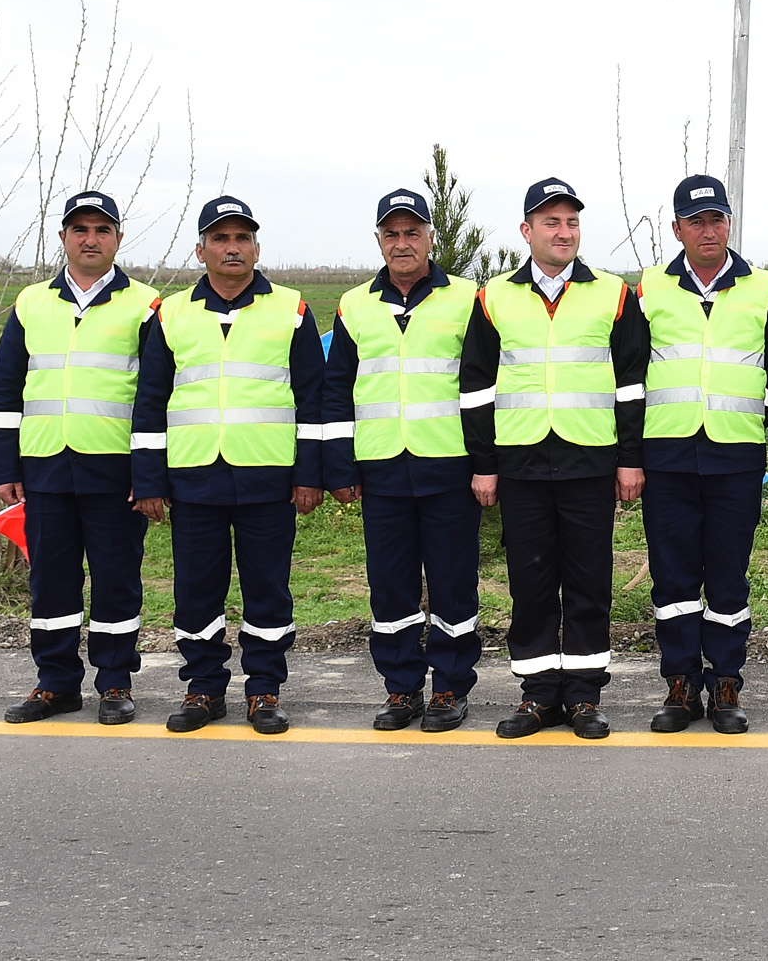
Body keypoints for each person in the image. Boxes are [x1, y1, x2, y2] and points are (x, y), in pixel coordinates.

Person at [459, 179, 648, 740]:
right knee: (532, 582)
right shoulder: (493, 297)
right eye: (551, 222)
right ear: (527, 231)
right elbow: (476, 387)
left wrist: (629, 460)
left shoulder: (614, 294)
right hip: (520, 464)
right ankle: (539, 695)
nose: (563, 232)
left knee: (590, 580)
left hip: (590, 460)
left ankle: (586, 696)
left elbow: (632, 385)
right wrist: (484, 463)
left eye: (571, 223)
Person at [132, 196, 327, 735]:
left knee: (268, 587)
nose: (232, 248)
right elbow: (150, 401)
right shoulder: (169, 314)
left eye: (242, 239)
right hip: (193, 477)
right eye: (220, 239)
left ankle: (264, 689)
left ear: (257, 248)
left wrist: (310, 474)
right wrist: (148, 479)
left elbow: (313, 400)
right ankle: (203, 689)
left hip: (269, 477)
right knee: (197, 589)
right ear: (201, 249)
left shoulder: (292, 309)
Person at [0, 192, 158, 725]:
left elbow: (156, 397)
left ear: (118, 239)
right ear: (62, 237)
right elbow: (6, 390)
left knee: (115, 578)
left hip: (114, 471)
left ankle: (114, 683)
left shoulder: (147, 305)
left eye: (101, 230)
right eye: (79, 229)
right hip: (44, 469)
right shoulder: (31, 303)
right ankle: (56, 683)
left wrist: (150, 473)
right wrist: (3, 468)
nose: (90, 239)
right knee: (52, 581)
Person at [324, 187, 483, 733]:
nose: (402, 242)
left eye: (412, 232)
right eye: (391, 233)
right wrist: (340, 467)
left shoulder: (467, 299)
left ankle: (449, 689)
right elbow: (337, 389)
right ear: (378, 240)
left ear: (431, 238)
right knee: (389, 586)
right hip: (381, 468)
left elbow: (486, 383)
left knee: (452, 582)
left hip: (449, 466)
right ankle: (401, 689)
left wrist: (487, 461)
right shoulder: (354, 305)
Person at [638, 173, 768, 735]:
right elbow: (631, 376)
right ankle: (680, 684)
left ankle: (726, 682)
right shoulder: (650, 290)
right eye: (696, 221)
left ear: (730, 222)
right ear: (677, 228)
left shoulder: (766, 289)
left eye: (717, 219)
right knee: (673, 578)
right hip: (669, 456)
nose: (709, 230)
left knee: (728, 580)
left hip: (736, 457)